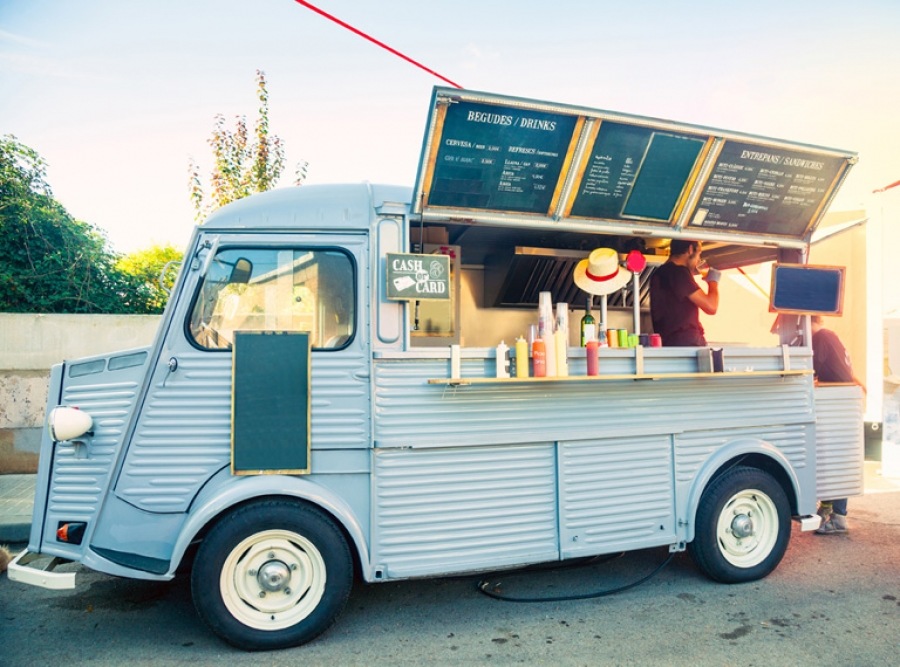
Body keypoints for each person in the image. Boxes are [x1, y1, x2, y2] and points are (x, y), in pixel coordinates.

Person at [811, 314, 865, 535]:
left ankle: (839, 518)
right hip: (845, 399)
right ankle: (828, 509)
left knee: (833, 457)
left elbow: (810, 370)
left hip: (838, 402)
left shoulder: (820, 337)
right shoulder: (831, 335)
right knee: (834, 456)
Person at [650, 239, 721, 346]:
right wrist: (713, 282)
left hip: (669, 343)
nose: (699, 259)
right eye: (699, 254)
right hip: (686, 342)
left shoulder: (660, 272)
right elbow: (711, 307)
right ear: (690, 249)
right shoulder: (678, 272)